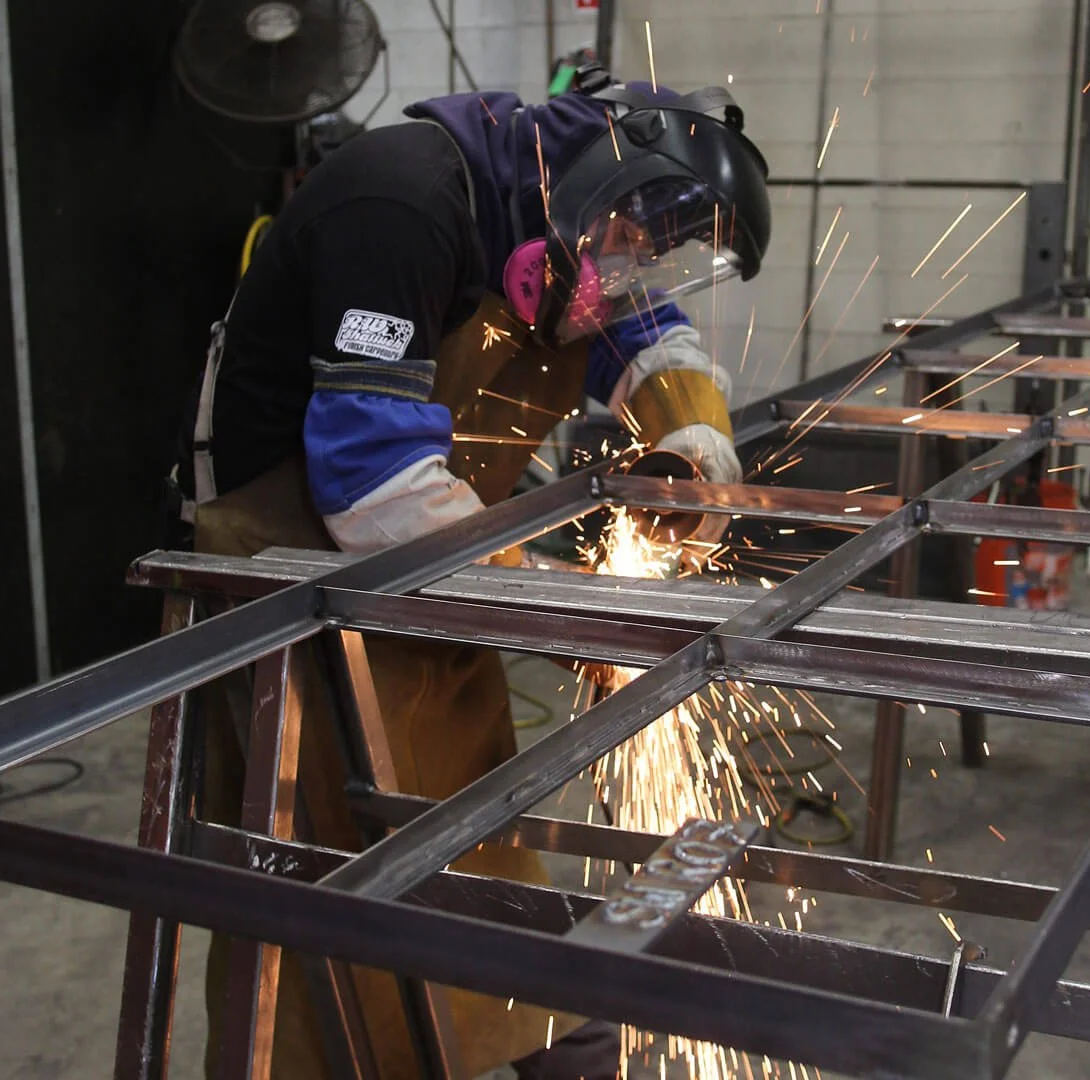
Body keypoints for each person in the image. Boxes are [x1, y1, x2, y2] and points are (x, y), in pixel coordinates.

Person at [174, 64, 771, 1079]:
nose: (634, 263)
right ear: (598, 180)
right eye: (635, 239)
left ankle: (530, 1026)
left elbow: (648, 333)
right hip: (297, 582)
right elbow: (372, 481)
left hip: (437, 574)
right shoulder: (400, 206)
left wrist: (696, 444)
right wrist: (565, 604)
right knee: (340, 886)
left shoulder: (575, 220)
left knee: (468, 831)